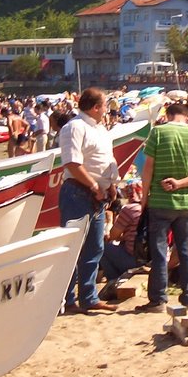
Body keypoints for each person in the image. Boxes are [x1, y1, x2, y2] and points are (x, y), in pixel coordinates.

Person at [136, 102, 188, 313]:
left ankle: (158, 300)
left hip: (160, 201)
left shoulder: (158, 133)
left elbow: (148, 167)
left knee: (160, 252)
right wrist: (180, 183)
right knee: (186, 252)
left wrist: (144, 197)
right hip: (186, 202)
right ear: (187, 117)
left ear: (168, 115)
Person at [59, 87, 120, 314]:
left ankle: (88, 296)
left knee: (95, 247)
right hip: (78, 192)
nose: (107, 110)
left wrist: (110, 185)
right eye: (105, 106)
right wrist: (94, 186)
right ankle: (67, 299)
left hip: (97, 194)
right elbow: (72, 164)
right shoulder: (74, 128)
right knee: (73, 247)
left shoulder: (100, 129)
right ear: (95, 107)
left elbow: (105, 159)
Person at [99, 182, 144, 283]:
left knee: (101, 247)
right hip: (153, 259)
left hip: (134, 259)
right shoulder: (150, 209)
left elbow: (113, 235)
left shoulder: (130, 209)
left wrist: (110, 221)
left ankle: (114, 280)